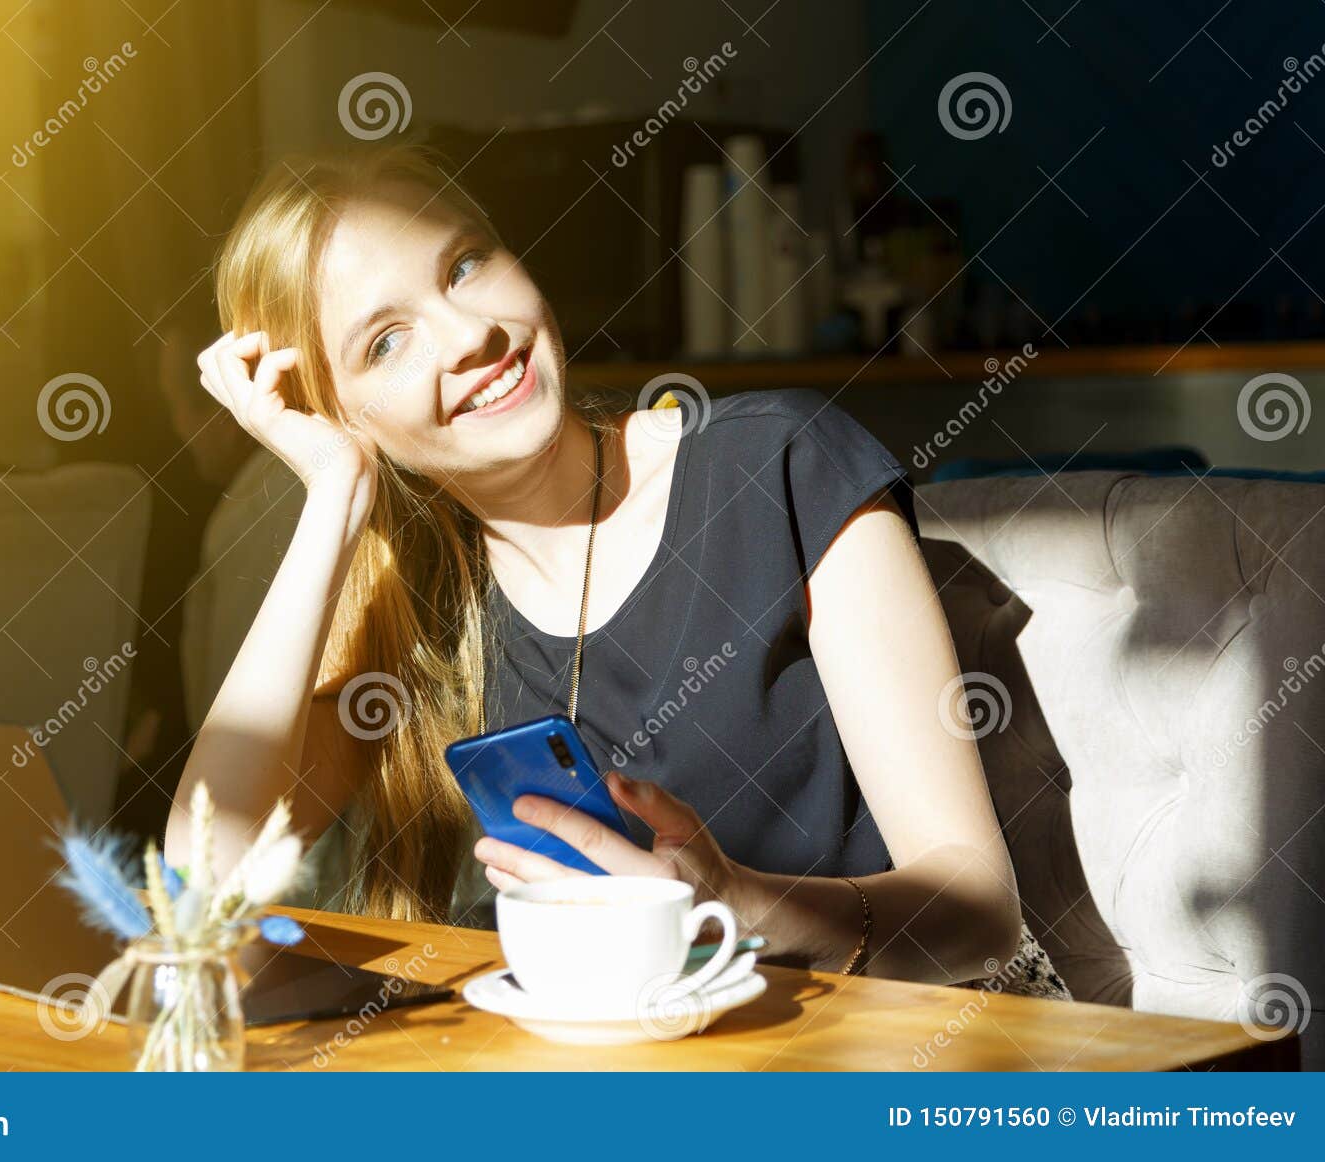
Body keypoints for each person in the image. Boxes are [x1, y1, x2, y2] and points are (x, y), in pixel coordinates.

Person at [165, 143, 1059, 989]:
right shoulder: (420, 603)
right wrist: (333, 495)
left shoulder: (778, 466)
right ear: (343, 414)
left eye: (464, 266)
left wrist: (739, 908)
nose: (469, 334)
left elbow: (978, 913)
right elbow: (202, 876)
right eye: (385, 342)